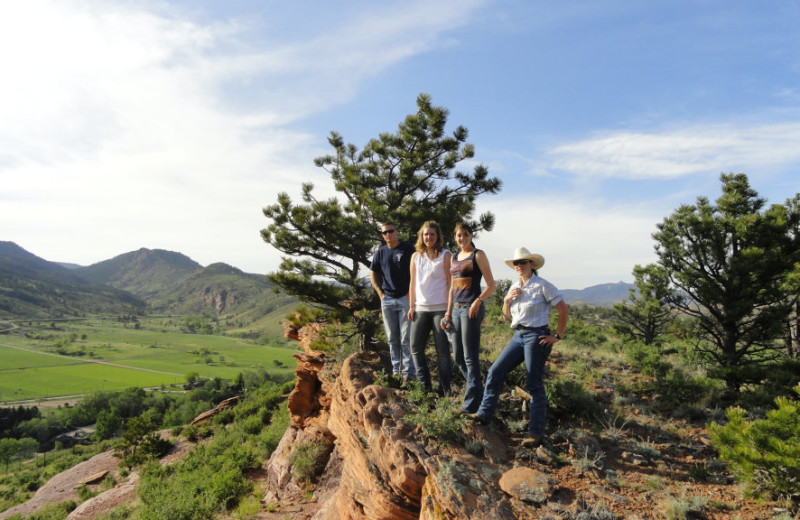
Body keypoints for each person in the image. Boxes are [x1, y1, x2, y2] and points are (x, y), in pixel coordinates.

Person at [468, 247, 569, 448]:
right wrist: (506, 301)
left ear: (531, 264)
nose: (519, 266)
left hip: (536, 335)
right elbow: (507, 317)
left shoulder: (542, 286)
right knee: (495, 371)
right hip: (518, 335)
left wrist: (556, 336)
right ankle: (484, 414)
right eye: (516, 263)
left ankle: (536, 432)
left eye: (523, 262)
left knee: (533, 382)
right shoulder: (514, 287)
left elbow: (563, 309)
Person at [445, 222, 495, 413]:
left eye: (465, 235)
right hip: (456, 310)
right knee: (458, 356)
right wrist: (448, 313)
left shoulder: (478, 255)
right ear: (455, 237)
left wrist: (478, 301)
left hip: (470, 309)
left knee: (469, 356)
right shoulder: (455, 257)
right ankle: (479, 392)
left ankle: (471, 404)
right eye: (459, 235)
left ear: (471, 236)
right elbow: (452, 287)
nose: (462, 238)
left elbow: (491, 284)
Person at [408, 221, 453, 396]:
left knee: (442, 351)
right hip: (420, 308)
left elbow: (451, 284)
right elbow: (412, 283)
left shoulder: (446, 255)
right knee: (415, 348)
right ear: (421, 236)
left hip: (440, 309)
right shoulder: (416, 257)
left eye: (432, 234)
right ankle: (425, 389)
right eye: (426, 234)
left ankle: (444, 390)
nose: (428, 237)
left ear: (438, 236)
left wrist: (449, 311)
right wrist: (411, 306)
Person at [370, 222, 416, 381]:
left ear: (397, 231)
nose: (388, 235)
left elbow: (418, 270)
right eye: (384, 233)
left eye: (390, 231)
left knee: (406, 339)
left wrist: (411, 293)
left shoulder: (408, 249)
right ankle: (397, 373)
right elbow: (373, 273)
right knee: (392, 338)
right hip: (387, 300)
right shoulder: (380, 253)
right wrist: (381, 295)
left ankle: (408, 375)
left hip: (405, 298)